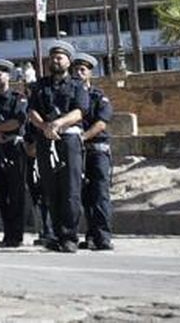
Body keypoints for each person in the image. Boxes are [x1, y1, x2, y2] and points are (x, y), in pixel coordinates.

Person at [27, 40, 87, 253]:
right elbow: (32, 111)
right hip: (46, 139)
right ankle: (55, 234)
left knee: (70, 189)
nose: (55, 60)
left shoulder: (77, 85)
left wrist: (58, 124)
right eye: (53, 57)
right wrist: (44, 126)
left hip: (68, 140)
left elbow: (79, 112)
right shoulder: (40, 86)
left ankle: (69, 236)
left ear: (68, 61)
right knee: (50, 189)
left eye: (60, 57)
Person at [0, 58, 29, 247]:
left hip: (13, 148)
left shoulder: (18, 98)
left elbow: (18, 121)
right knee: (1, 193)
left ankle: (15, 235)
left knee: (16, 193)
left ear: (8, 76)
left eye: (0, 73)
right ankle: (7, 234)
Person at [73, 53, 114, 251]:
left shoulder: (99, 97)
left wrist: (82, 137)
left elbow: (101, 123)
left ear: (90, 73)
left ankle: (103, 236)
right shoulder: (71, 96)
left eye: (83, 70)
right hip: (78, 153)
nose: (79, 73)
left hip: (96, 151)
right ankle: (91, 235)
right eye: (76, 70)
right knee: (85, 195)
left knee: (100, 194)